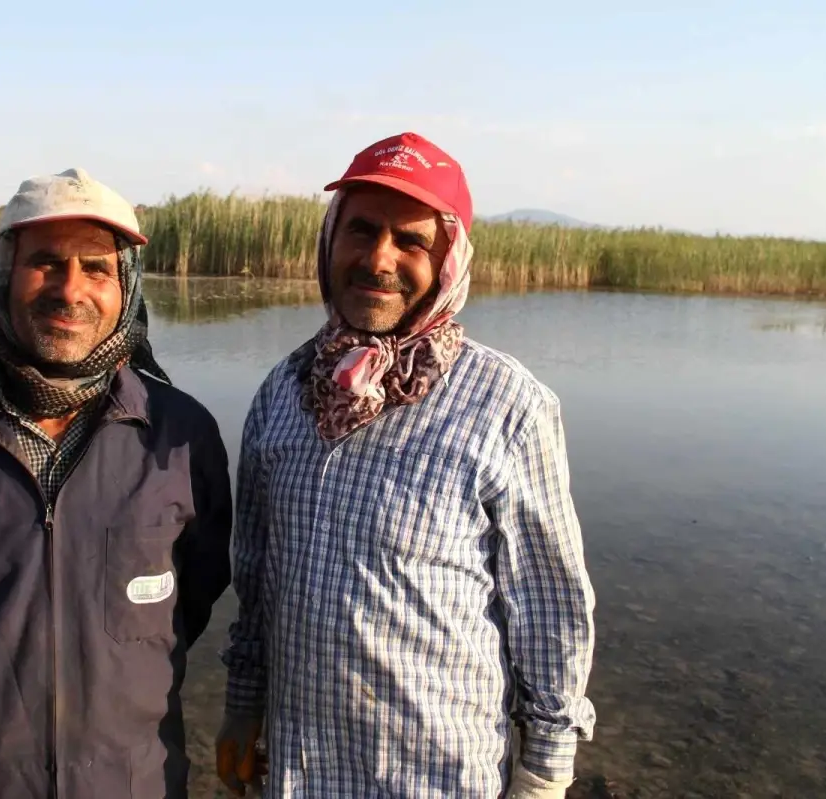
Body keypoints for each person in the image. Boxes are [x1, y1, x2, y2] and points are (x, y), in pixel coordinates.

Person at [216, 133, 596, 799]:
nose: (379, 258)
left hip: (437, 780)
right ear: (331, 241)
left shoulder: (507, 405)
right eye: (360, 229)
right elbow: (255, 580)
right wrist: (243, 707)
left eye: (410, 241)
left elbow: (549, 605)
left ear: (448, 259)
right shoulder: (283, 392)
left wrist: (544, 772)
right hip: (299, 774)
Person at [0, 168, 233, 799]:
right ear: (4, 276)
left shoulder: (181, 433)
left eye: (96, 268)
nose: (70, 289)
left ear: (127, 287)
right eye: (45, 263)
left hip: (136, 782)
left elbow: (195, 598)